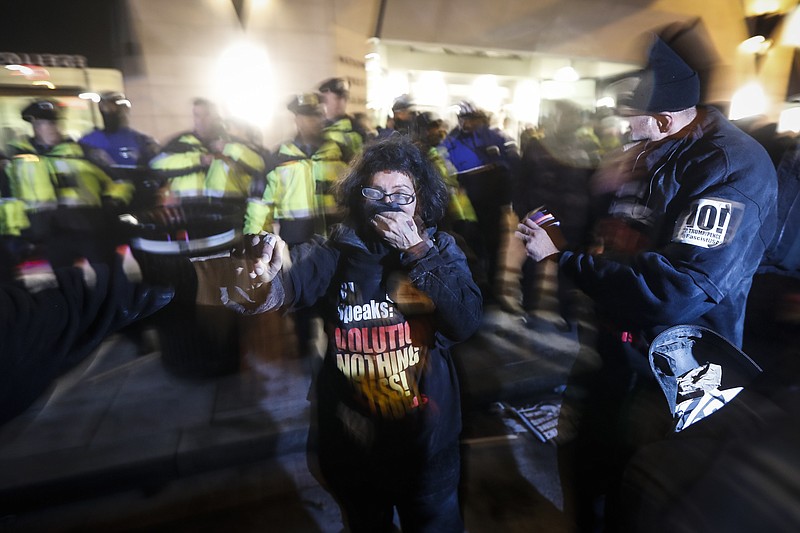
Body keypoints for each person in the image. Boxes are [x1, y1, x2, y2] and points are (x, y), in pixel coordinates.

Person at [515, 34, 778, 531]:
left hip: (681, 378)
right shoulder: (649, 151)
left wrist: (564, 259)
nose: (622, 130)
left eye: (629, 120)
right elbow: (617, 239)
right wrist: (567, 228)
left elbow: (674, 291)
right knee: (587, 476)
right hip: (616, 357)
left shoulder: (731, 168)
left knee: (647, 502)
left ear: (663, 119)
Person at [227, 136, 482, 532]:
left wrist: (417, 252)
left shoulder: (440, 249)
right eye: (376, 193)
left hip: (425, 442)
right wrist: (261, 279)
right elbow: (287, 287)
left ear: (420, 200)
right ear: (359, 197)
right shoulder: (336, 249)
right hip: (354, 439)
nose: (389, 205)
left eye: (402, 194)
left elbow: (464, 321)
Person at [243, 92, 348, 357]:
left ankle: (336, 345)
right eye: (310, 115)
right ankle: (304, 346)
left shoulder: (339, 154)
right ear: (298, 119)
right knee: (300, 294)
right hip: (297, 240)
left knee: (336, 295)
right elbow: (260, 204)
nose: (317, 120)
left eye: (319, 114)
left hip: (334, 239)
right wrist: (255, 241)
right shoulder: (277, 158)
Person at [3, 99, 134, 268]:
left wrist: (112, 202)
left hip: (87, 226)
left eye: (55, 123)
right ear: (34, 126)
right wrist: (16, 233)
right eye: (46, 124)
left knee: (107, 273)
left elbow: (120, 181)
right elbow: (8, 198)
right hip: (48, 232)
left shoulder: (83, 152)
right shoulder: (17, 160)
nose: (53, 128)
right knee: (66, 281)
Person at [442, 100, 518, 303]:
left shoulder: (494, 137)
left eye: (468, 119)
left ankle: (491, 288)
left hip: (492, 200)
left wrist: (507, 198)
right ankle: (474, 286)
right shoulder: (452, 139)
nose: (465, 123)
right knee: (470, 245)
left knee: (493, 245)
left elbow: (512, 165)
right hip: (465, 202)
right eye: (461, 119)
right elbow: (444, 162)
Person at [149, 98, 265, 202]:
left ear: (217, 117)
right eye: (197, 115)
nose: (202, 120)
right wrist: (200, 160)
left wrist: (230, 148)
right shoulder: (180, 142)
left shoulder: (232, 142)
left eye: (207, 115)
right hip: (189, 210)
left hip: (229, 209)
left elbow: (259, 163)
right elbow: (156, 165)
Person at [79, 92, 161, 210]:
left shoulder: (140, 139)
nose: (110, 111)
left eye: (115, 107)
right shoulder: (88, 140)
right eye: (105, 107)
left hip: (137, 199)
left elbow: (154, 167)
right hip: (104, 200)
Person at [317, 77, 365, 163]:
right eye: (337, 98)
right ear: (325, 98)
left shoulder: (357, 128)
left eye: (345, 98)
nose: (342, 103)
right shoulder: (315, 128)